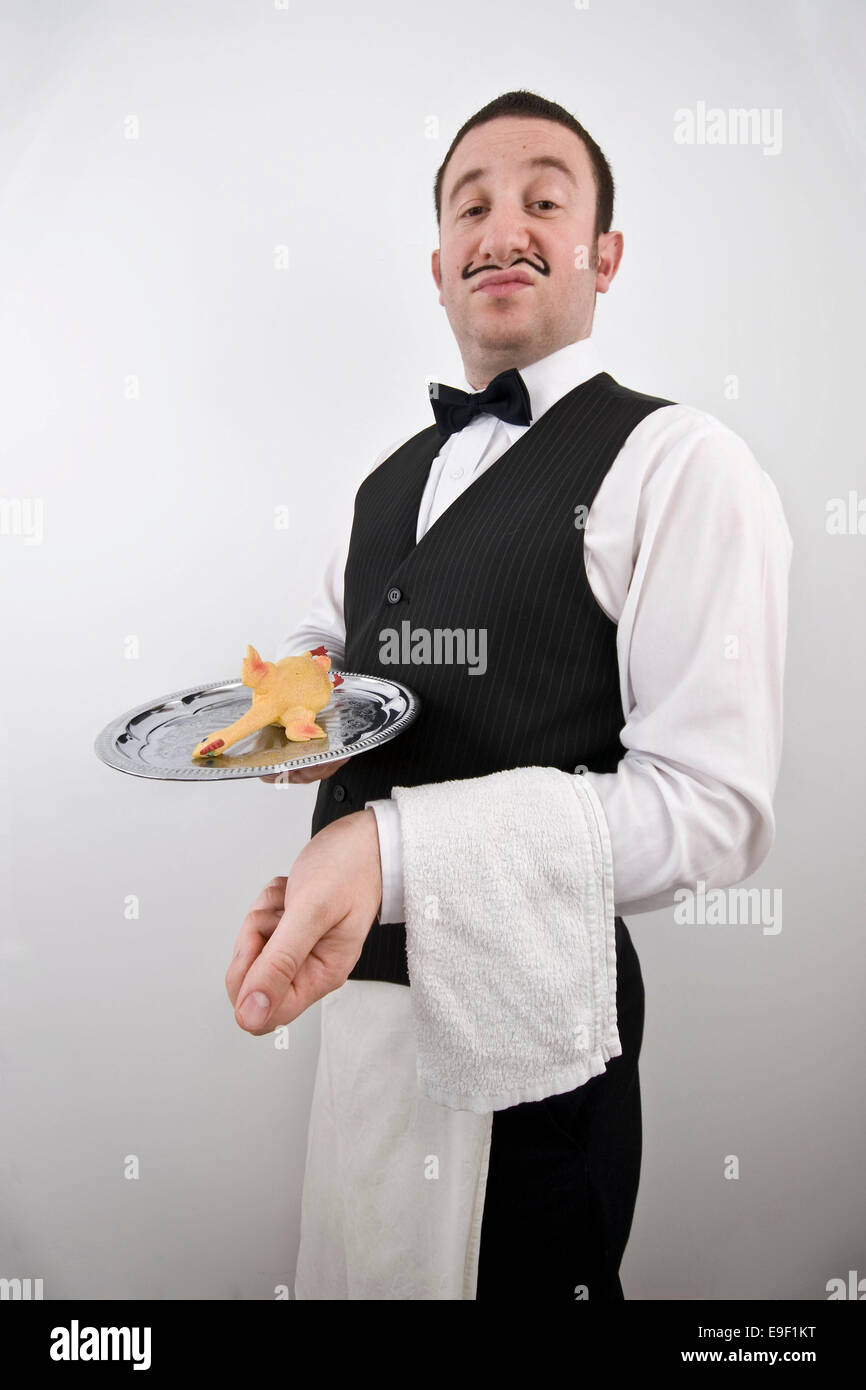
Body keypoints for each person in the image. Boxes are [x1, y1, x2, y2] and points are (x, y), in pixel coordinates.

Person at [224, 88, 793, 1300]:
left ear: (605, 253)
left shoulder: (682, 464)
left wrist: (393, 848)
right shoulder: (384, 484)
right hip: (360, 1013)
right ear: (436, 264)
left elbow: (712, 812)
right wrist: (292, 729)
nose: (502, 226)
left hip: (535, 1040)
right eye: (469, 205)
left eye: (545, 197)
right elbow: (321, 662)